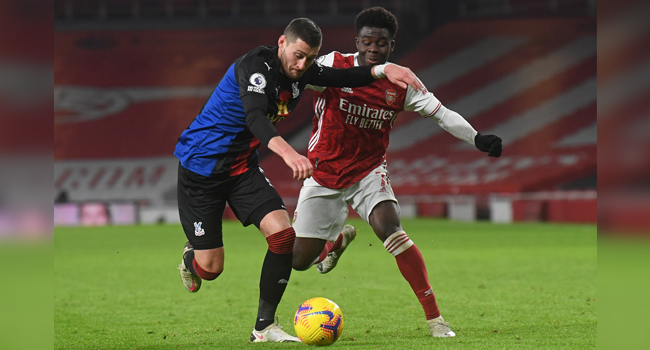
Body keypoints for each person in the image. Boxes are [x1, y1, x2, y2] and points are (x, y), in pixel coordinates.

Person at [173, 17, 424, 343]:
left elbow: (343, 76)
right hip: (201, 169)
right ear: (282, 43)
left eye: (309, 57)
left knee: (282, 236)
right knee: (211, 268)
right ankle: (191, 258)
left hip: (241, 168)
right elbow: (255, 117)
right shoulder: (256, 68)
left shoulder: (303, 72)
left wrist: (383, 70)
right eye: (297, 55)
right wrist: (289, 154)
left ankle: (263, 328)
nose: (302, 64)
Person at [291, 7, 503, 338]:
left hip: (368, 171)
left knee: (389, 227)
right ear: (356, 41)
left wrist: (477, 138)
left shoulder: (402, 83)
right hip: (323, 173)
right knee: (298, 261)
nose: (373, 49)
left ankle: (435, 319)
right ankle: (331, 247)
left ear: (392, 45)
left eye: (382, 43)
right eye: (367, 42)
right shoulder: (333, 65)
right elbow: (296, 77)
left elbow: (442, 114)